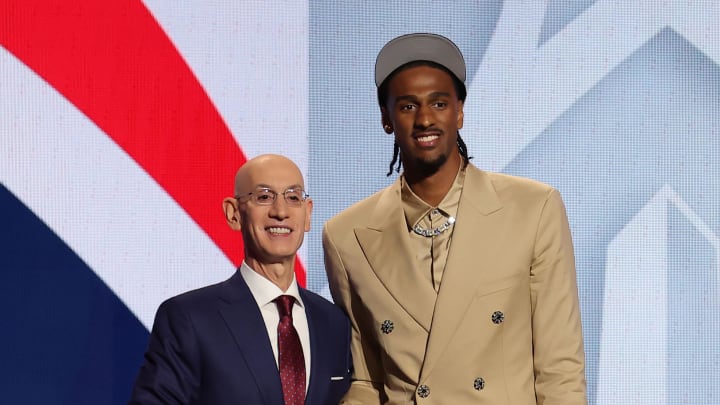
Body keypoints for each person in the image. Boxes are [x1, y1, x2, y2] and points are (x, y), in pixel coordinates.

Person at [322, 33, 586, 404]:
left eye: (439, 103)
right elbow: (366, 380)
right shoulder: (347, 235)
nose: (425, 119)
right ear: (386, 118)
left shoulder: (534, 208)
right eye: (409, 106)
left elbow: (560, 370)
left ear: (459, 111)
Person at [130, 154, 352, 404]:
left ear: (307, 213)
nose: (280, 212)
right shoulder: (189, 318)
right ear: (234, 213)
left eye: (293, 197)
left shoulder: (334, 323)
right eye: (264, 197)